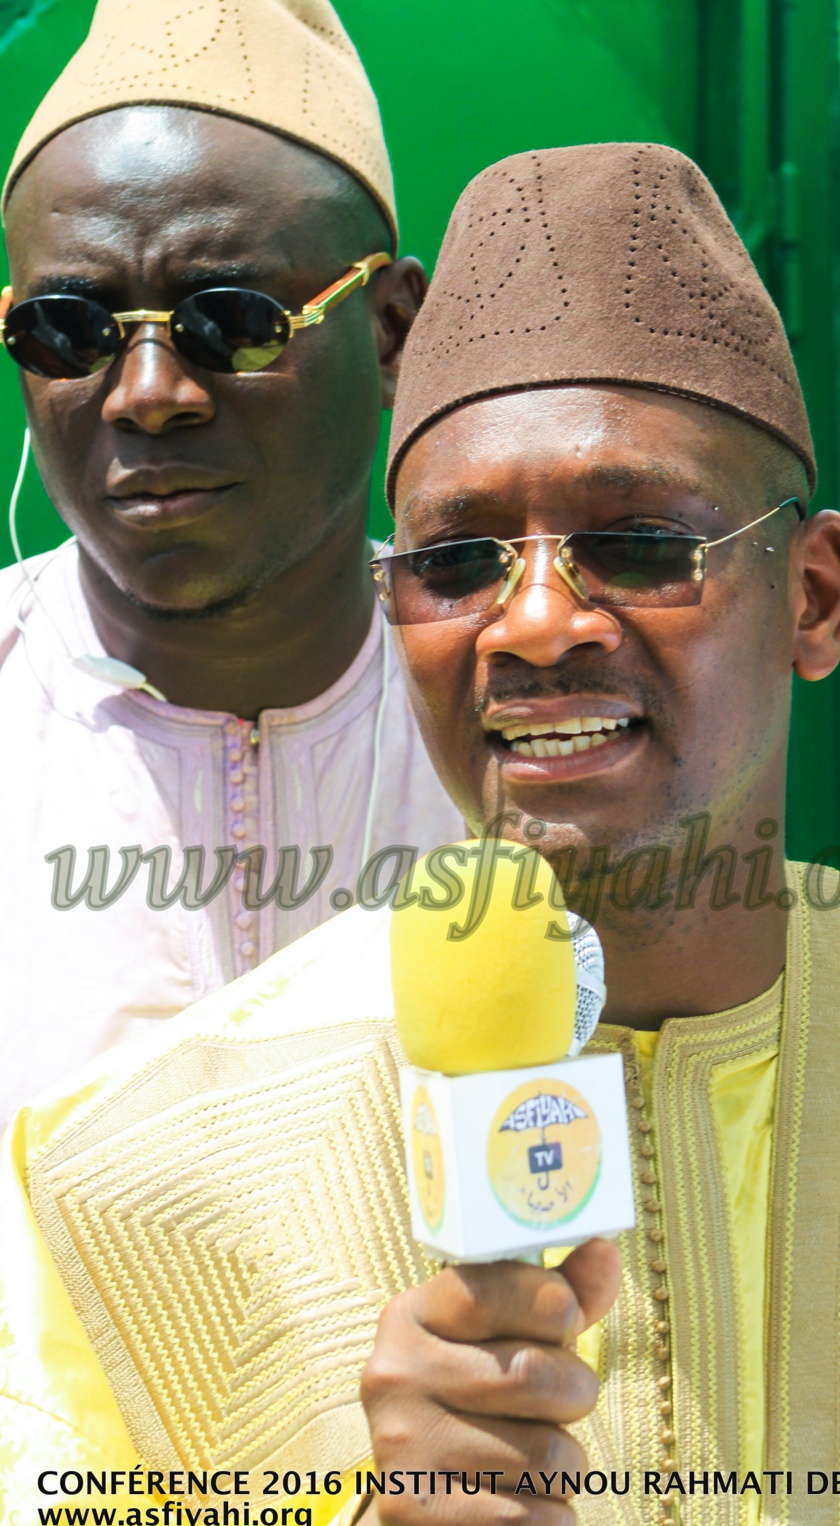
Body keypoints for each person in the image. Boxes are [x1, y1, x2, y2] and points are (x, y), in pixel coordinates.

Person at [1, 142, 840, 1526]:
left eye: (633, 541)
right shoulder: (129, 1182)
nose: (536, 620)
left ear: (810, 598)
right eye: (456, 559)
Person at [0, 0, 460, 1124]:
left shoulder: (517, 707)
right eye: (70, 328)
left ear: (393, 330)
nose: (149, 392)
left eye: (232, 319)